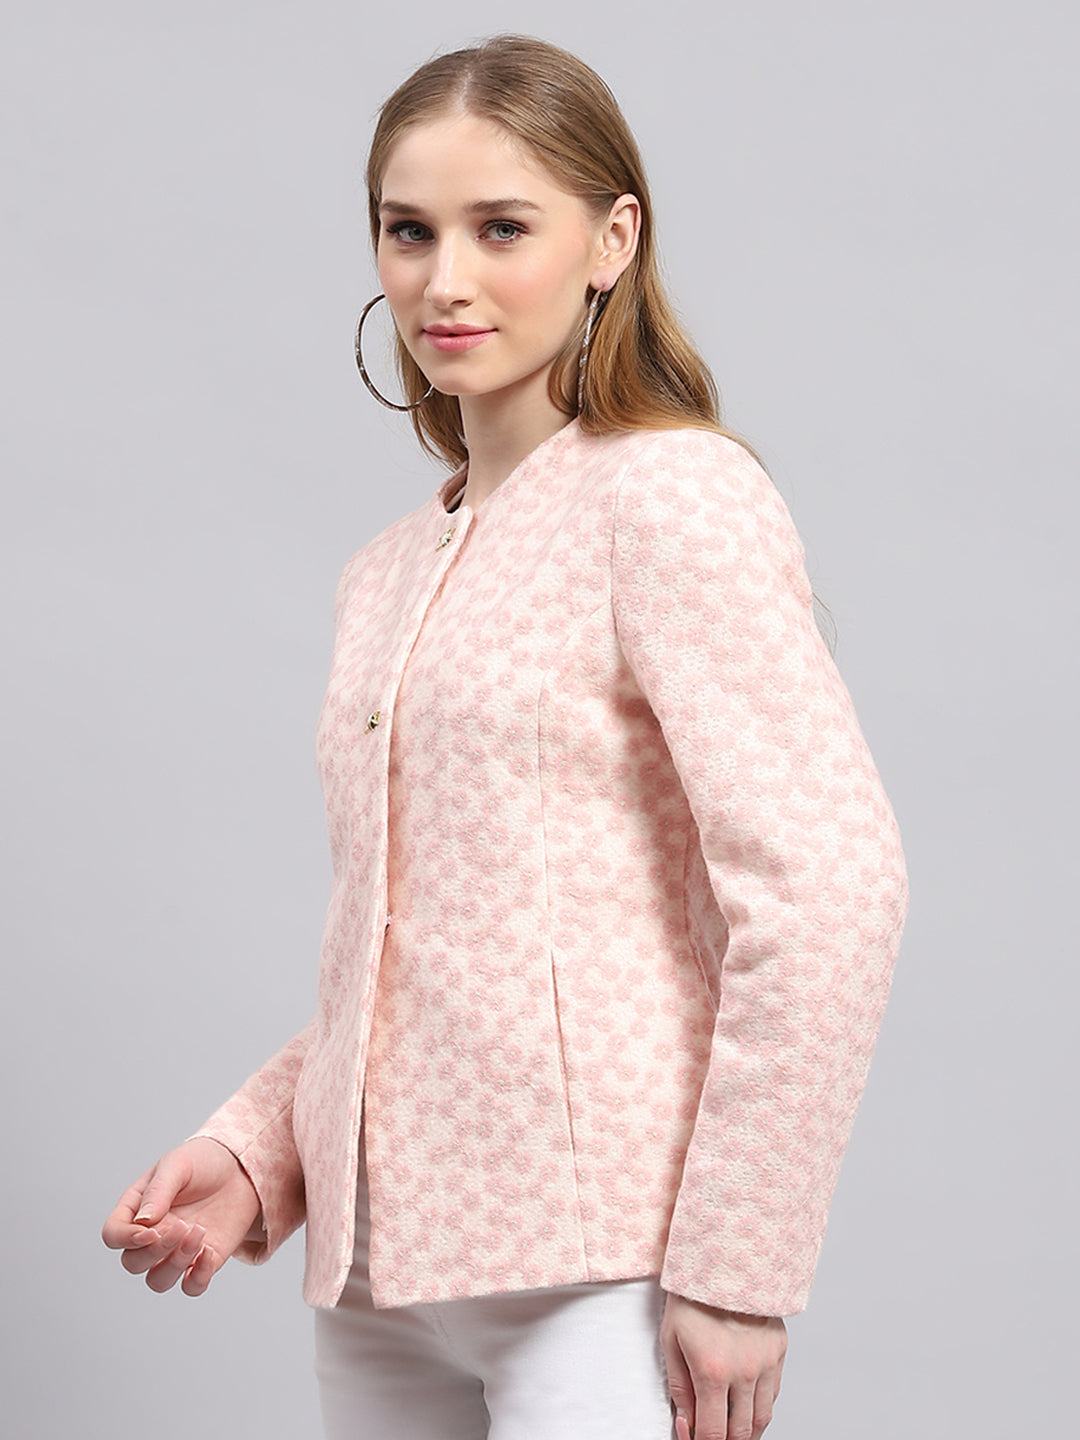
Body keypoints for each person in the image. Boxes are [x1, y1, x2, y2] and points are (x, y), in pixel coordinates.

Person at [102, 33, 909, 1440]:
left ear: (613, 240)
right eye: (409, 231)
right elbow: (418, 944)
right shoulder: (384, 573)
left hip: (601, 1270)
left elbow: (833, 889)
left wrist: (741, 1264)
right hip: (379, 1281)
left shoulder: (668, 497)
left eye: (502, 228)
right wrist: (259, 1152)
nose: (445, 279)